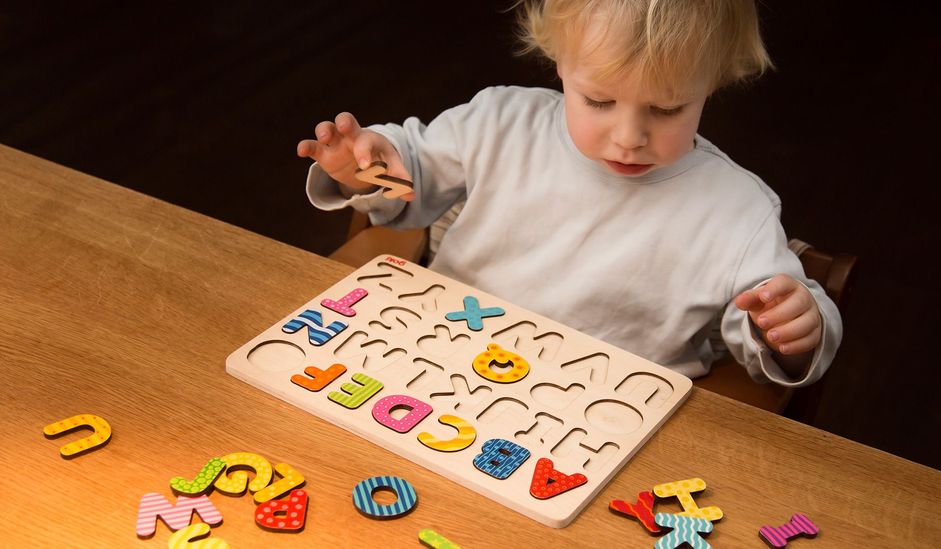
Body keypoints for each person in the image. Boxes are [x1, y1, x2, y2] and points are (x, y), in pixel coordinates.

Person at [296, 0, 842, 387]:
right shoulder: (498, 122)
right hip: (438, 366)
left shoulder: (737, 211)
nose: (629, 138)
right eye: (599, 101)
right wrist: (362, 168)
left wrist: (795, 328)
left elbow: (770, 335)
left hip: (608, 419)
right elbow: (406, 184)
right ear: (560, 62)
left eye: (666, 108)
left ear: (713, 82)